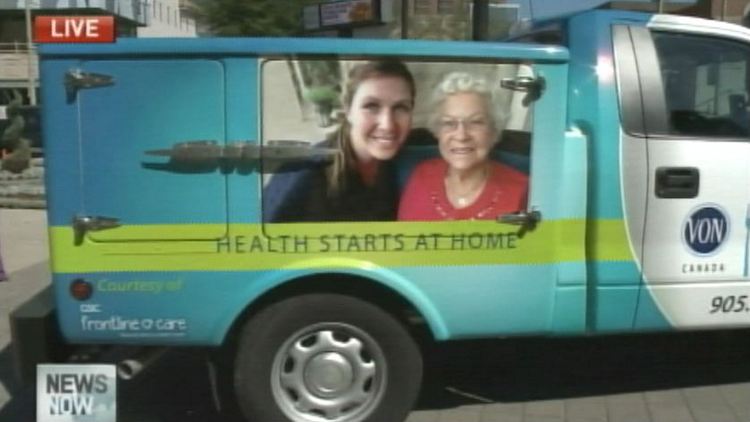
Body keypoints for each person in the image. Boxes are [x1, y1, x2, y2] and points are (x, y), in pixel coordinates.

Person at [265, 60, 416, 222]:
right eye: (371, 106)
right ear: (348, 110)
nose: (388, 125)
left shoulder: (412, 155)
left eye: (401, 108)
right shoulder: (302, 174)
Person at [398, 72, 527, 221]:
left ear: (493, 130)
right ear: (437, 131)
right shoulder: (422, 176)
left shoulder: (523, 190)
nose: (461, 135)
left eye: (475, 122)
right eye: (449, 123)